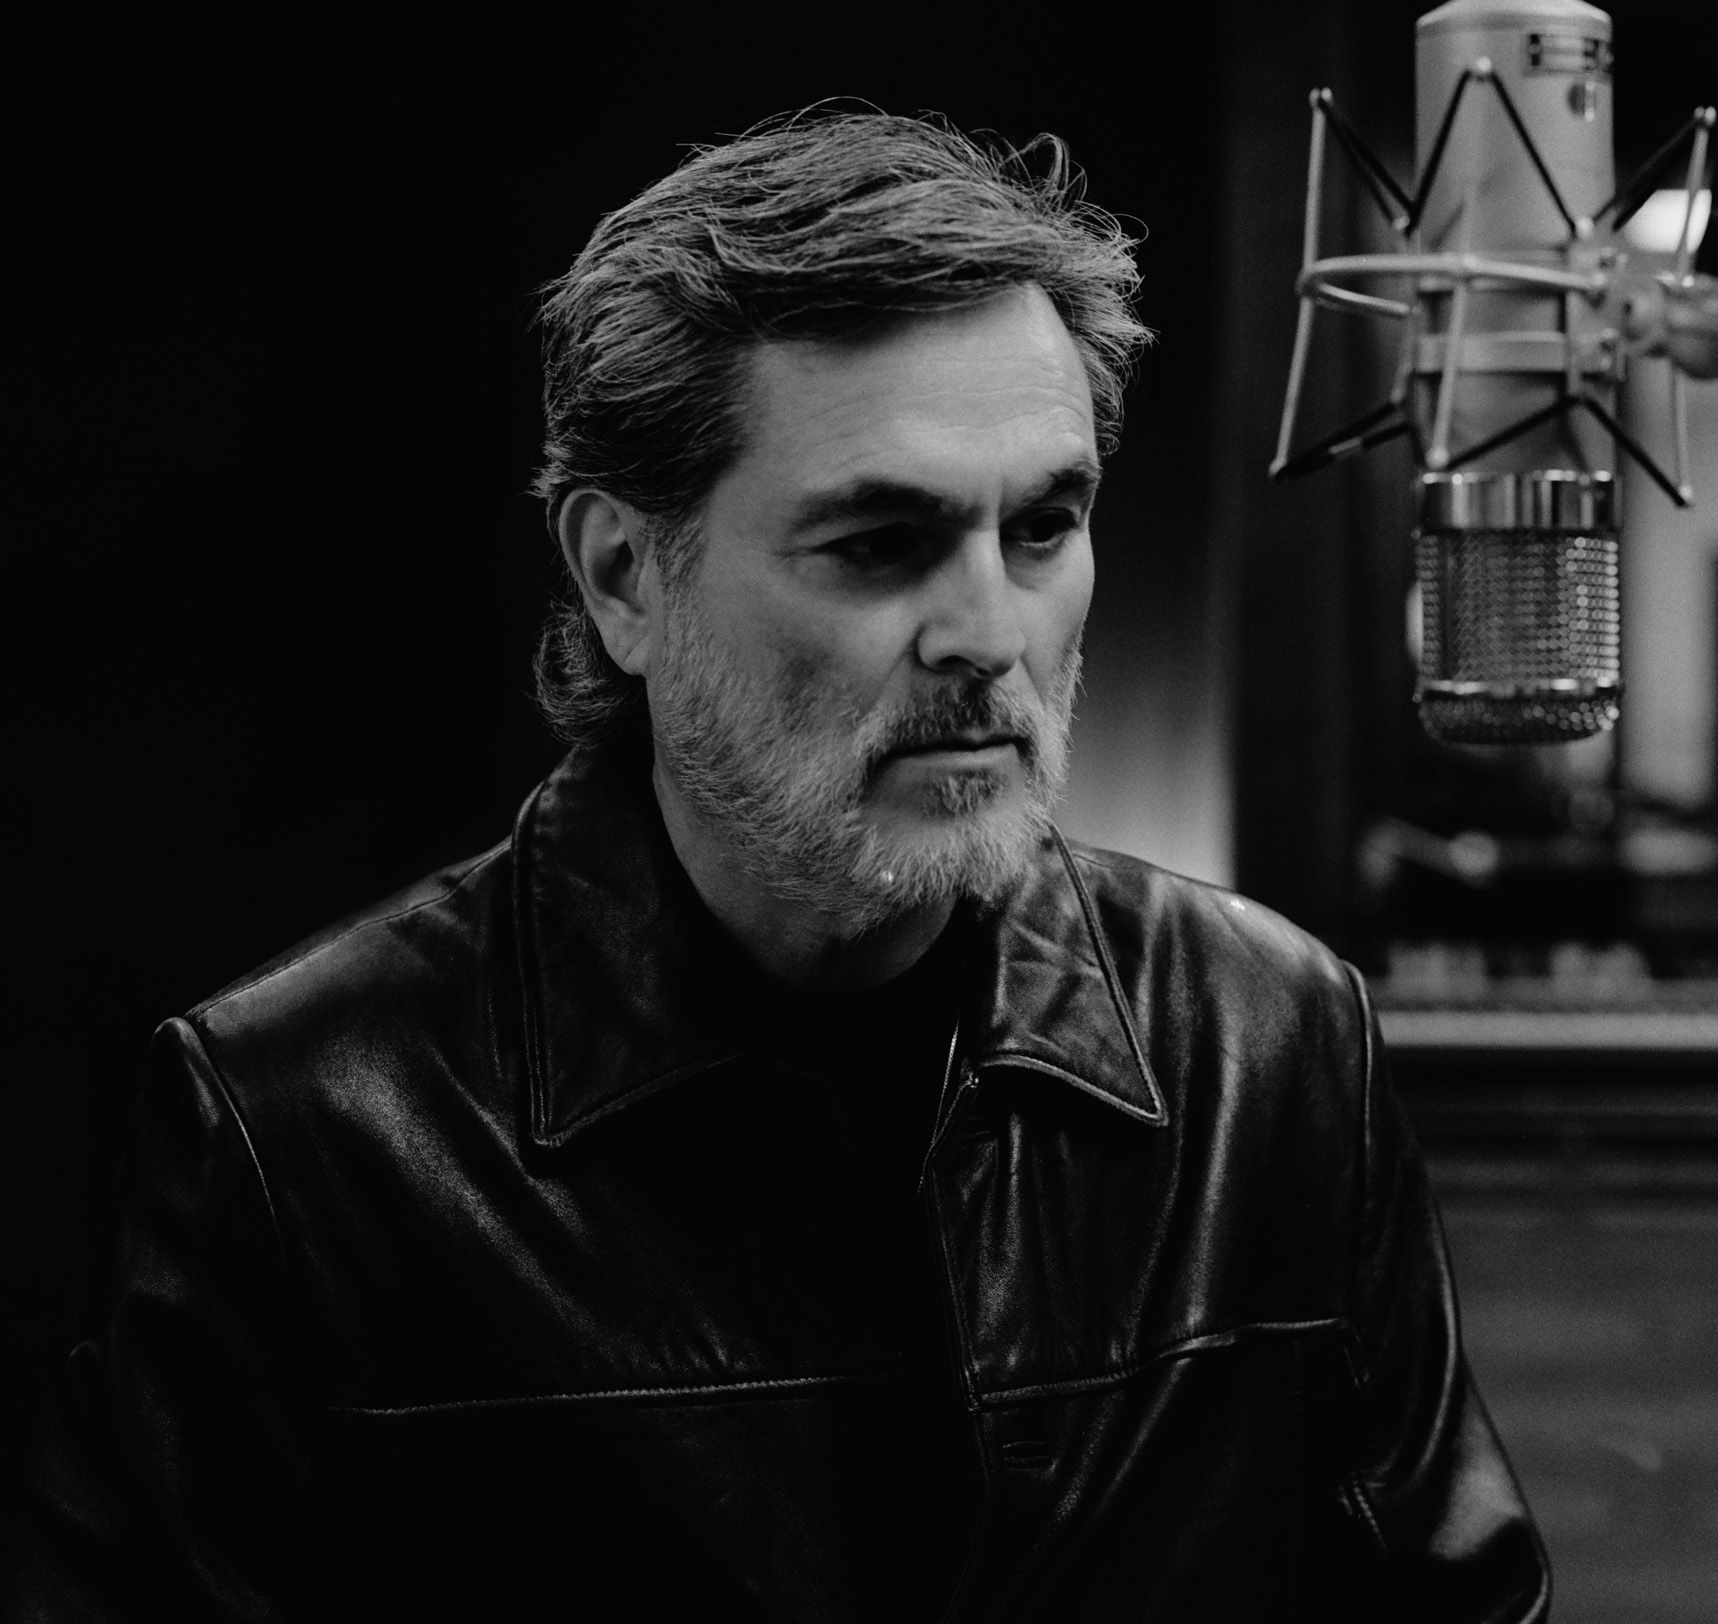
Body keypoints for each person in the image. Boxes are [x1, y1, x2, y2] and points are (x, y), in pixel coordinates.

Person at [15, 111, 1549, 1621]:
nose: (988, 634)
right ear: (625, 575)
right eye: (879, 544)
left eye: (1043, 527)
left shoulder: (1270, 1048)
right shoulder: (305, 1138)